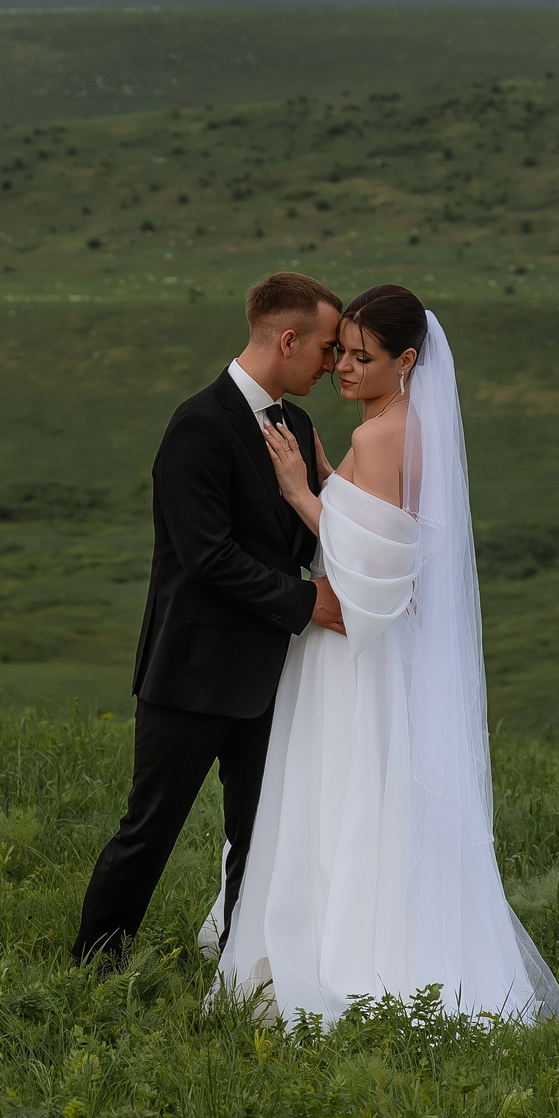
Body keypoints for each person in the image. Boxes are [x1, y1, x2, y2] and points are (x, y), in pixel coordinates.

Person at [210, 284, 559, 1030]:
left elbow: (374, 567)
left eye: (362, 357)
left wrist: (301, 493)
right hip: (378, 650)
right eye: (340, 351)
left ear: (406, 361)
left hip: (355, 651)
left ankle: (339, 957)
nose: (342, 367)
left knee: (343, 791)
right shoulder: (398, 427)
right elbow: (382, 525)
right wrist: (330, 485)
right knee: (365, 792)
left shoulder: (381, 436)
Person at [73, 272, 347, 968]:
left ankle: (240, 971)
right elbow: (206, 557)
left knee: (260, 834)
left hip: (269, 675)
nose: (333, 363)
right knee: (150, 828)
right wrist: (307, 602)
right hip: (191, 672)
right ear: (288, 340)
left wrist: (336, 499)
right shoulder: (197, 424)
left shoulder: (297, 426)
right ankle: (93, 964)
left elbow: (299, 540)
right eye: (326, 347)